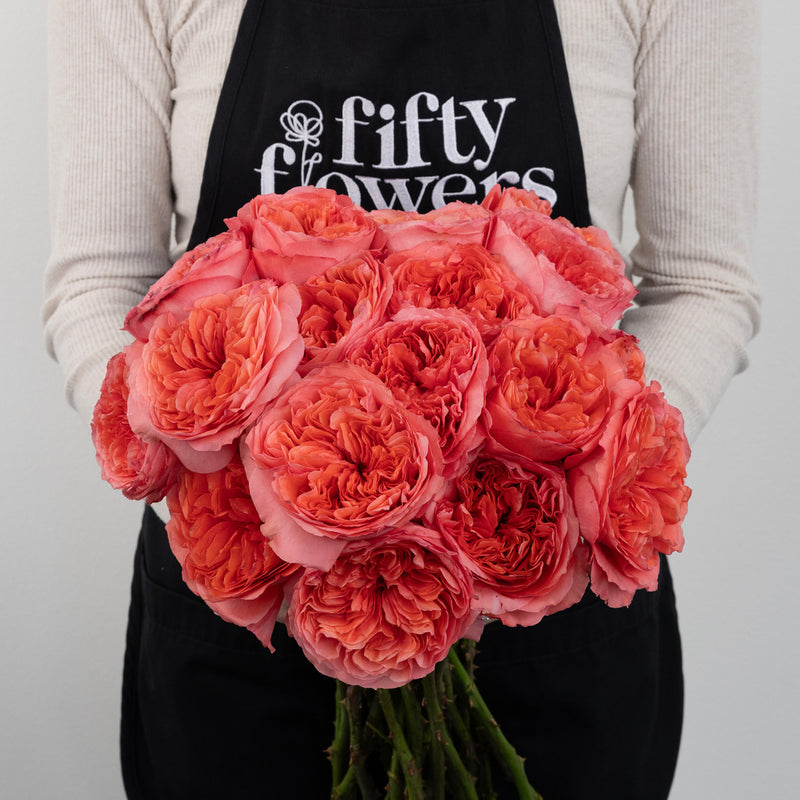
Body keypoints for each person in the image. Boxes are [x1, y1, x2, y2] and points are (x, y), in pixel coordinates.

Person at [44, 1, 760, 798]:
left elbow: (704, 283)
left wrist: (567, 491)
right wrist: (256, 505)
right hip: (241, 612)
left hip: (550, 597)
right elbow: (99, 283)